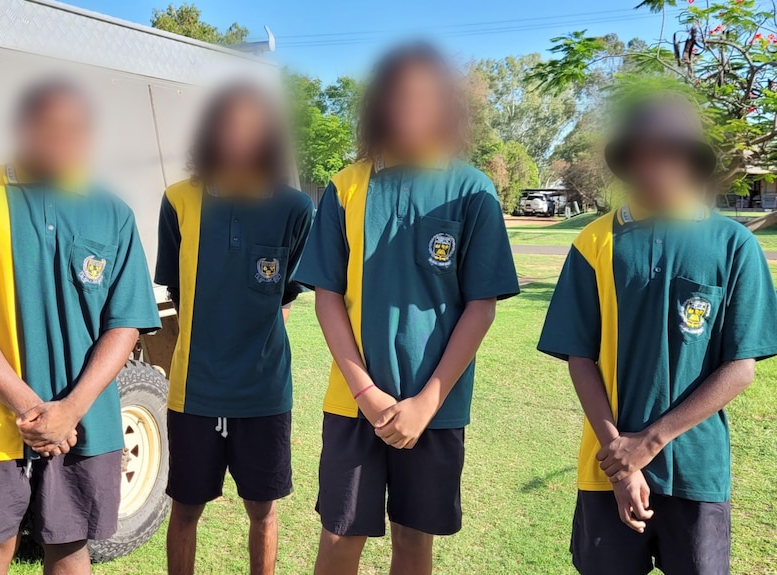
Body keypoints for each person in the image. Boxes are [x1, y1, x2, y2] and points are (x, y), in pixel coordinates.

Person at [0, 79, 161, 574]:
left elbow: (127, 321)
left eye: (74, 130)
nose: (62, 141)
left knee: (70, 549)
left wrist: (70, 410)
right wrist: (31, 408)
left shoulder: (111, 212)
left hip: (85, 422)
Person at [295, 43, 520, 575]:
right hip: (353, 404)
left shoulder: (471, 190)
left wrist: (425, 402)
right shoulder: (347, 186)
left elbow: (480, 307)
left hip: (435, 407)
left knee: (415, 544)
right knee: (338, 539)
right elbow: (327, 296)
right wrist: (367, 393)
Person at [537, 94, 777, 575]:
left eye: (668, 152)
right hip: (606, 464)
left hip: (696, 469)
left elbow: (741, 366)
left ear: (692, 159)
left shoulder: (733, 245)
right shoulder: (596, 242)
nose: (654, 165)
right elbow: (579, 356)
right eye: (641, 153)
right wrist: (622, 460)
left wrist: (650, 441)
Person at [155, 83, 313, 575]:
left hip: (264, 395)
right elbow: (178, 293)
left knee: (263, 512)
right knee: (184, 511)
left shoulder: (295, 207)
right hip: (194, 392)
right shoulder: (178, 199)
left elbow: (285, 298)